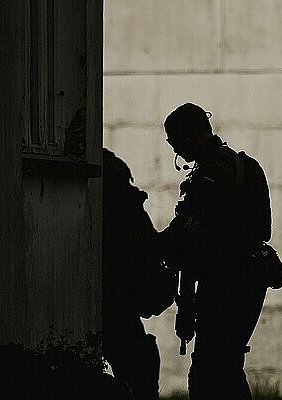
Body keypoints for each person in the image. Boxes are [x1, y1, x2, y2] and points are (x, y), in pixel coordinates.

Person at [160, 103, 272, 399]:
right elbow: (263, 231)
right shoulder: (245, 167)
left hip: (223, 286)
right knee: (227, 363)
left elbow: (187, 244)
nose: (176, 151)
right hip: (249, 281)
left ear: (186, 138)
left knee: (211, 372)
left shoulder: (208, 177)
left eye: (174, 143)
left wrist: (150, 246)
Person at [102, 148, 176, 400]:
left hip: (117, 298)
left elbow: (146, 248)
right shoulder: (128, 204)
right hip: (121, 299)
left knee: (134, 365)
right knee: (137, 366)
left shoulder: (118, 207)